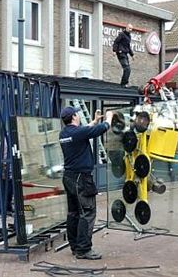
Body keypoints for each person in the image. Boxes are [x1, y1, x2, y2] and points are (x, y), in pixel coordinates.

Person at [59, 106, 113, 260]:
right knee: (87, 212)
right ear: (75, 116)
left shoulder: (65, 133)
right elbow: (100, 129)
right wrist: (108, 118)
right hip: (81, 179)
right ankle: (83, 250)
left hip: (69, 177)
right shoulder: (77, 133)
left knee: (73, 213)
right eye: (77, 113)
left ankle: (75, 246)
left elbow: (84, 131)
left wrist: (94, 121)